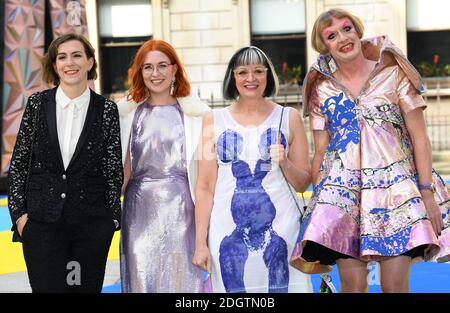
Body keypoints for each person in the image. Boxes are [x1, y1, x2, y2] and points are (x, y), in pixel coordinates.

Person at [290, 8, 450, 293]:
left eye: (347, 28)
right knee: (352, 288)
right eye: (331, 36)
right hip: (345, 198)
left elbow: (420, 137)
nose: (342, 38)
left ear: (358, 31)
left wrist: (426, 192)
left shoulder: (393, 73)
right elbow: (320, 151)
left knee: (394, 287)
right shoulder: (321, 88)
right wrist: (319, 205)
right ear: (324, 46)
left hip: (397, 195)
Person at [7, 33, 123, 293]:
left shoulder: (106, 110)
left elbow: (113, 168)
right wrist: (20, 218)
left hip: (90, 230)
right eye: (62, 57)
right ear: (55, 64)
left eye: (77, 55)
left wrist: (111, 221)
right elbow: (20, 163)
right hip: (41, 227)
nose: (69, 63)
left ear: (90, 62)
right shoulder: (37, 104)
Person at [192, 46, 313, 293]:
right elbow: (204, 187)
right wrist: (200, 243)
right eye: (242, 72)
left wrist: (285, 162)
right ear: (232, 77)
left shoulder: (288, 117)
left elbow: (303, 182)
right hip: (226, 229)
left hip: (282, 229)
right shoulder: (211, 121)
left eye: (258, 71)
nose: (251, 78)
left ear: (268, 76)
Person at [118, 39, 209, 293]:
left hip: (182, 209)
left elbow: (206, 178)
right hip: (138, 213)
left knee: (182, 280)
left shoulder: (196, 115)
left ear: (174, 69)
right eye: (147, 67)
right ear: (140, 72)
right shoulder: (126, 114)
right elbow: (123, 172)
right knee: (141, 278)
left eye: (161, 66)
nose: (155, 74)